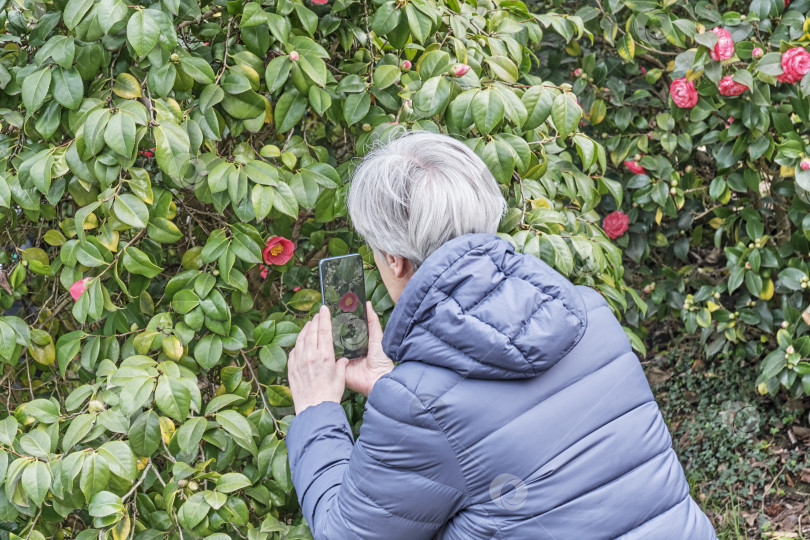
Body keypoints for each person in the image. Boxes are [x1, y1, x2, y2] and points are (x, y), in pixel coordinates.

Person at [285, 129, 718, 539]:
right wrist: (394, 385)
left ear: (394, 259)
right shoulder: (588, 311)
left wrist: (317, 409)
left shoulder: (419, 407)